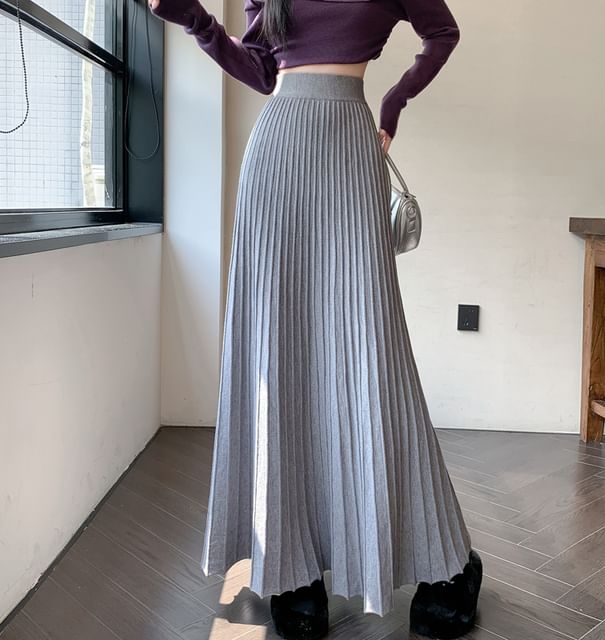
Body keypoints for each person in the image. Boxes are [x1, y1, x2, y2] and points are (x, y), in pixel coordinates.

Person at [147, 0, 483, 638]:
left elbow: (442, 32)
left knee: (372, 351)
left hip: (350, 149)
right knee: (278, 352)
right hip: (276, 153)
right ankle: (292, 563)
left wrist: (393, 104)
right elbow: (261, 70)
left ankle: (447, 558)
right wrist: (196, 22)